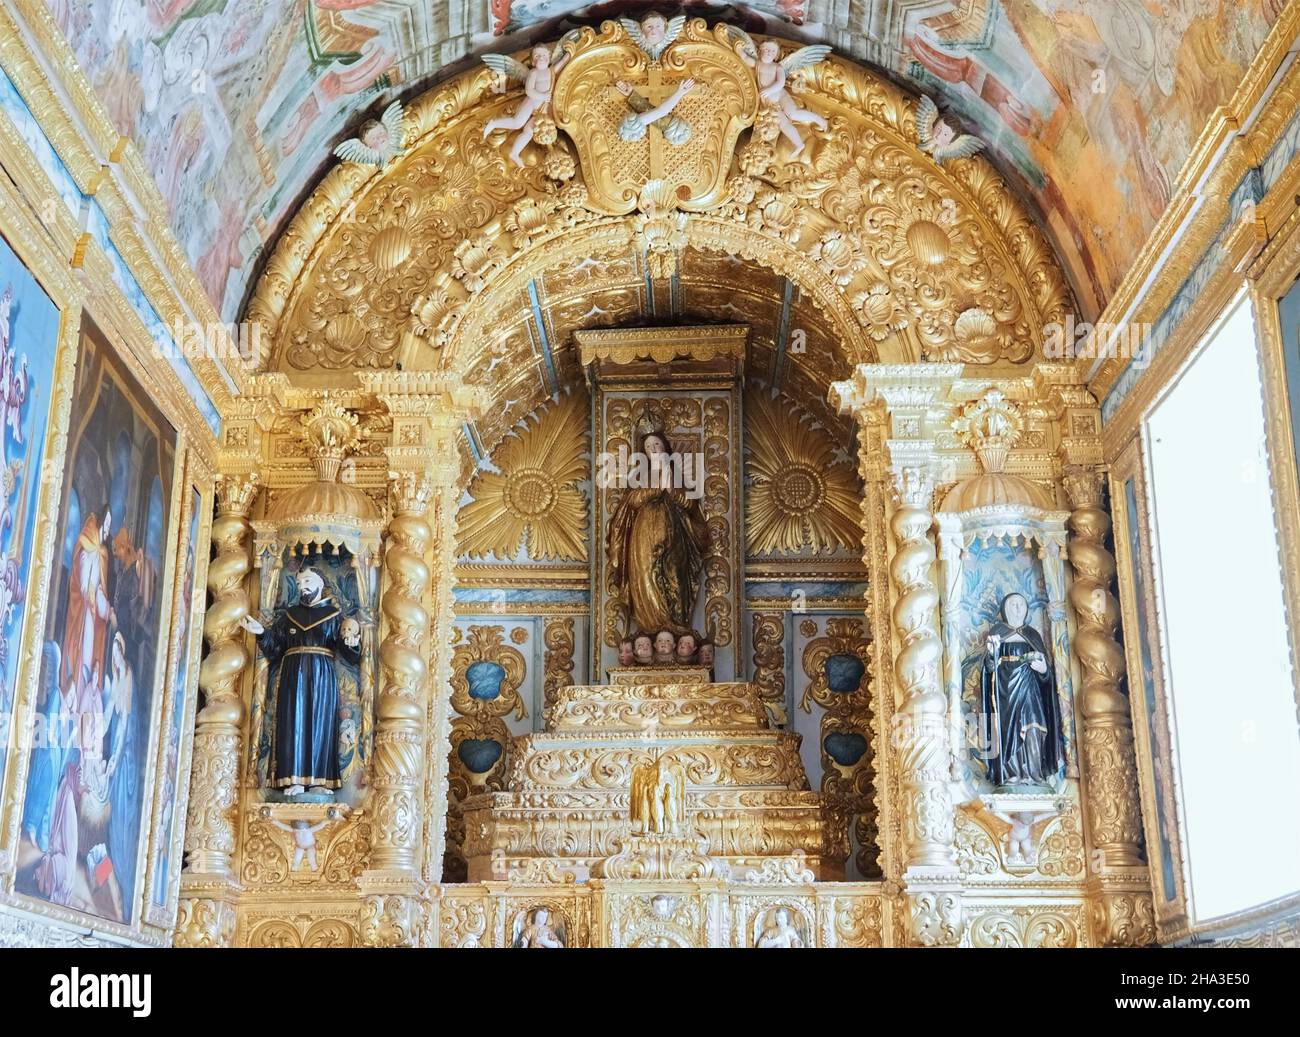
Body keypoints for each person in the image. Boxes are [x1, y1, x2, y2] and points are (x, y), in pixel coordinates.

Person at [242, 568, 361, 797]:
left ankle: (320, 780)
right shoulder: (289, 615)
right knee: (293, 723)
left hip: (322, 675)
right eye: (299, 582)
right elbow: (274, 649)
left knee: (321, 724)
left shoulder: (333, 615)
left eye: (307, 580)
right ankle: (294, 778)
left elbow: (350, 655)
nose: (302, 585)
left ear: (320, 582)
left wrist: (352, 642)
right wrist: (260, 633)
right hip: (292, 674)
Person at [607, 428, 709, 637]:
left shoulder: (678, 475)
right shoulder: (640, 475)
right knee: (645, 575)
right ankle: (652, 627)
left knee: (675, 576)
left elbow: (691, 505)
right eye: (648, 446)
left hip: (675, 534)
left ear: (665, 447)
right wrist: (656, 490)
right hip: (643, 536)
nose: (653, 449)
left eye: (657, 445)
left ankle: (676, 625)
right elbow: (632, 501)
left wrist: (672, 490)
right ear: (643, 452)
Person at [978, 593, 1063, 789]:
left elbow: (1046, 677)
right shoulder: (997, 632)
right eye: (1013, 604)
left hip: (1030, 688)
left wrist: (1042, 669)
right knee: (1011, 730)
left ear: (1026, 610)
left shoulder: (1032, 635)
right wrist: (992, 654)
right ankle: (1012, 773)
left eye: (1021, 605)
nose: (1017, 609)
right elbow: (988, 669)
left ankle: (1034, 773)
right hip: (1006, 689)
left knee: (1034, 726)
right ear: (1005, 609)